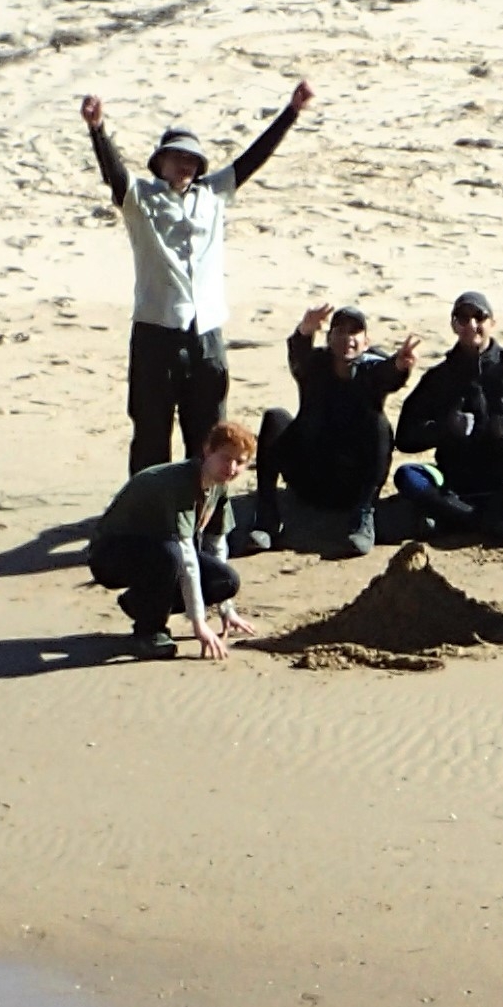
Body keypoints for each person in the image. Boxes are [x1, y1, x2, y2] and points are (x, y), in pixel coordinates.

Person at [82, 79, 313, 475]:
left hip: (206, 332)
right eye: (176, 157)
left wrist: (291, 112)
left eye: (191, 159)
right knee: (152, 431)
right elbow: (114, 175)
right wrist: (97, 129)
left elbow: (253, 159)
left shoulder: (214, 194)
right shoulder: (140, 198)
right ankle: (148, 517)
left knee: (208, 433)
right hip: (156, 330)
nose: (184, 165)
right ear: (161, 162)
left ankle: (206, 521)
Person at [239, 302, 420, 558]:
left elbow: (387, 374)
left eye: (354, 332)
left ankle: (363, 517)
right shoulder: (316, 365)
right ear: (329, 338)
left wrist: (400, 366)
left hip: (349, 486)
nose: (347, 338)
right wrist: (304, 331)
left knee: (380, 425)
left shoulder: (370, 370)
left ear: (365, 342)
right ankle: (266, 516)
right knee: (275, 418)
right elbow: (299, 358)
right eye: (340, 331)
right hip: (309, 478)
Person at [392, 291, 503, 547]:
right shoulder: (440, 376)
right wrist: (445, 429)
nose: (471, 325)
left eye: (479, 317)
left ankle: (455, 520)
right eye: (463, 318)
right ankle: (486, 522)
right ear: (454, 325)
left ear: (492, 323)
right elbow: (406, 437)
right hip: (450, 482)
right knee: (407, 477)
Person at [87, 419, 259, 660]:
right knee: (171, 555)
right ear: (208, 450)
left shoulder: (218, 485)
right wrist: (199, 625)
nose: (231, 468)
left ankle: (140, 602)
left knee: (225, 581)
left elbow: (217, 544)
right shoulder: (178, 483)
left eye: (240, 462)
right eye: (225, 458)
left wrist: (226, 609)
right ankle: (149, 632)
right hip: (110, 555)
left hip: (158, 552)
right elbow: (186, 557)